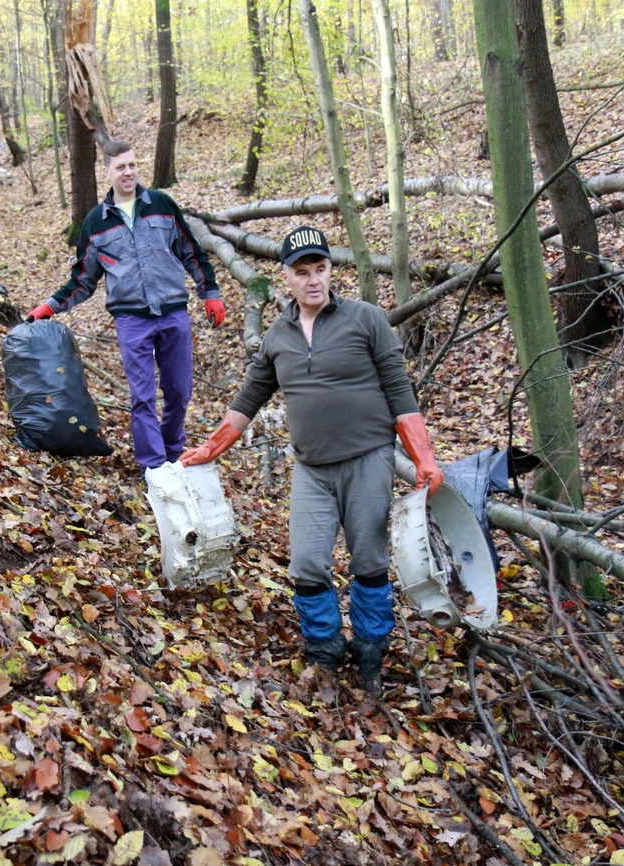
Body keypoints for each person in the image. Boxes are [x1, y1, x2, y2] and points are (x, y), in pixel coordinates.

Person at [181, 226, 444, 696]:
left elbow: (400, 390)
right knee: (306, 562)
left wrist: (423, 457)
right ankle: (324, 648)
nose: (313, 280)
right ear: (286, 278)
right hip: (312, 469)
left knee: (368, 558)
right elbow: (249, 397)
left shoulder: (366, 319)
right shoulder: (277, 335)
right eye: (302, 273)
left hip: (368, 460)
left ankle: (371, 649)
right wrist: (212, 447)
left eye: (320, 269)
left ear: (329, 270)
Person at [26, 141, 223, 471]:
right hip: (132, 322)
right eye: (120, 167)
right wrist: (49, 307)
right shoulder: (96, 223)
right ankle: (154, 469)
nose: (128, 171)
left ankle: (174, 452)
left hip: (174, 313)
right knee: (143, 398)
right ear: (107, 172)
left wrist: (210, 292)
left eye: (132, 165)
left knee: (179, 392)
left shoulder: (161, 204)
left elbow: (192, 250)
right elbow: (82, 280)